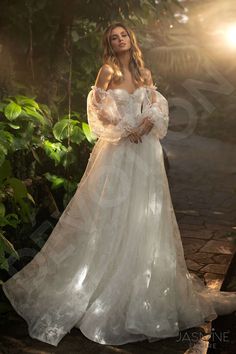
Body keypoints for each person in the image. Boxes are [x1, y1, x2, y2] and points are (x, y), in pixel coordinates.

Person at [2, 22, 236, 347]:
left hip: (146, 154)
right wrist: (124, 126)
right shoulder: (107, 69)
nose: (119, 40)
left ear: (131, 39)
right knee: (108, 212)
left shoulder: (144, 73)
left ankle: (142, 287)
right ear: (109, 44)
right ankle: (99, 285)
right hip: (117, 151)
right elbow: (96, 106)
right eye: (114, 37)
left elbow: (156, 105)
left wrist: (143, 122)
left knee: (146, 214)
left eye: (123, 35)